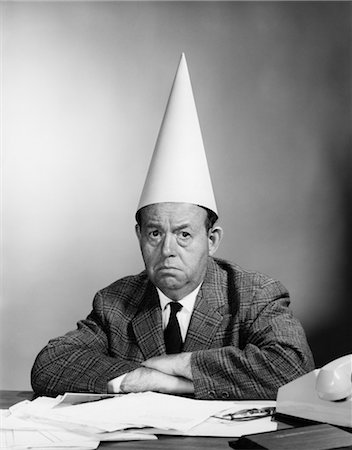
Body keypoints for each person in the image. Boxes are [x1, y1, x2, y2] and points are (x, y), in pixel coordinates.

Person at [31, 54, 314, 400]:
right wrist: (138, 378)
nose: (167, 249)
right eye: (155, 233)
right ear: (139, 236)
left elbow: (293, 365)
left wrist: (179, 371)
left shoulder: (253, 296)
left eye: (184, 234)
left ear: (212, 240)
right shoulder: (116, 303)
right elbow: (50, 365)